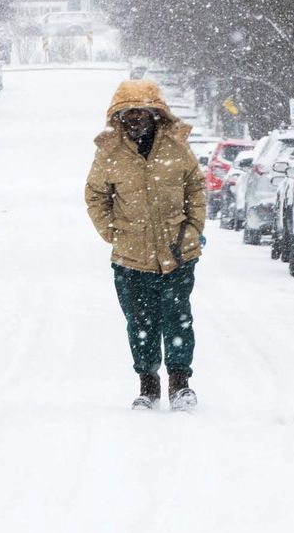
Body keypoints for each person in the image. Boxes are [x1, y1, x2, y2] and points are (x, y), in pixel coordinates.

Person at [84, 78, 206, 410]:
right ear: (119, 117)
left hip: (178, 252)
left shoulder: (176, 145)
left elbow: (195, 188)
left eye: (140, 111)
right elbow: (96, 196)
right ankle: (148, 387)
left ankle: (180, 386)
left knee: (178, 318)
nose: (135, 118)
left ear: (155, 113)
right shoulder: (109, 151)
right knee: (140, 323)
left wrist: (193, 228)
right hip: (130, 258)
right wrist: (113, 232)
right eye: (127, 113)